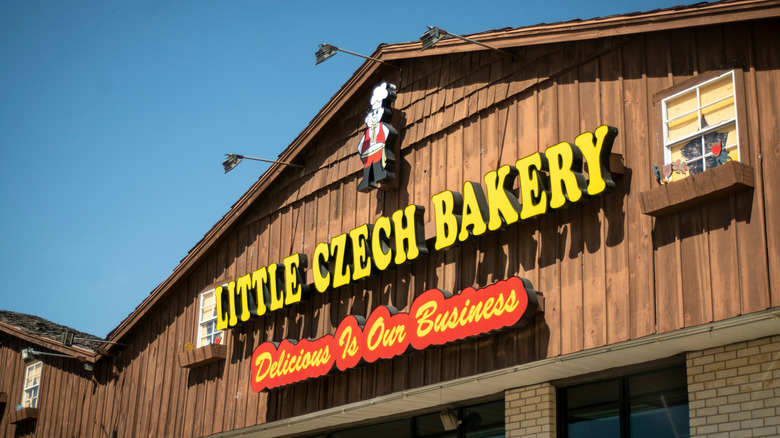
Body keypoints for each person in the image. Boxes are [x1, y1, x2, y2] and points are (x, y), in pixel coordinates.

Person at [357, 82, 397, 192]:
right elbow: (360, 145)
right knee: (367, 168)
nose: (374, 116)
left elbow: (388, 133)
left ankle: (380, 174)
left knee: (377, 165)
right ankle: (368, 180)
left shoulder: (381, 126)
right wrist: (361, 151)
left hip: (378, 149)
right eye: (372, 114)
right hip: (367, 153)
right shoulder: (368, 131)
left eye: (376, 113)